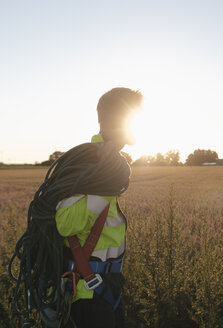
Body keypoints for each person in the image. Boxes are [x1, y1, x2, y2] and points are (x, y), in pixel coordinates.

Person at [54, 87, 143, 328]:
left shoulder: (110, 164)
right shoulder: (86, 163)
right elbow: (64, 223)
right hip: (87, 293)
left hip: (109, 288)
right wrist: (104, 186)